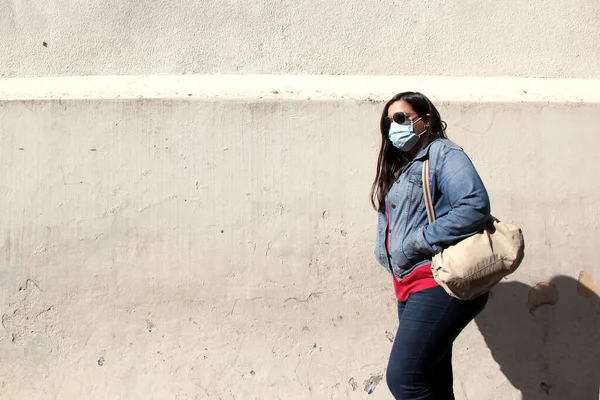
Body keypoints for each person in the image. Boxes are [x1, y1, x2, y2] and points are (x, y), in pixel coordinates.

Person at [372, 92, 491, 399]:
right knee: (432, 383)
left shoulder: (444, 155)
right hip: (410, 285)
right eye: (388, 121)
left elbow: (474, 206)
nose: (393, 126)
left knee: (405, 380)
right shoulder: (404, 167)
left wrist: (418, 240)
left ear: (425, 121)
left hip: (437, 282)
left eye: (401, 118)